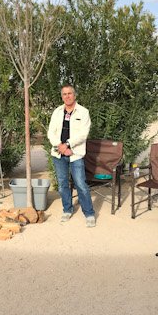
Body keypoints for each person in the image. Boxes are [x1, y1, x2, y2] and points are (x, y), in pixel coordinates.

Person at [49, 85, 96, 227]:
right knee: (62, 184)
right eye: (64, 94)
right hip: (59, 153)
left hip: (76, 154)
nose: (67, 96)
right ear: (62, 96)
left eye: (70, 93)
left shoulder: (83, 112)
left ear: (74, 95)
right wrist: (61, 146)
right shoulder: (57, 112)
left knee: (81, 184)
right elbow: (51, 132)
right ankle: (67, 210)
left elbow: (83, 134)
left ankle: (89, 213)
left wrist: (68, 144)